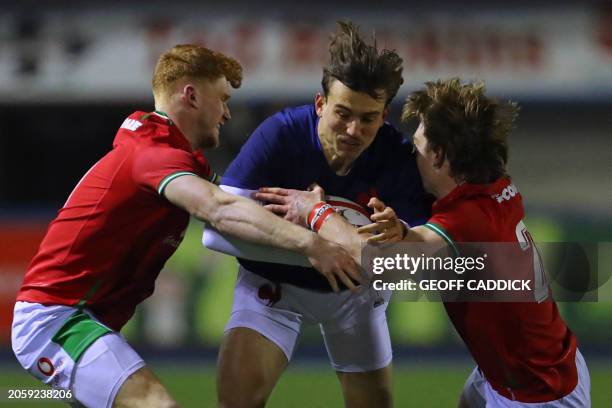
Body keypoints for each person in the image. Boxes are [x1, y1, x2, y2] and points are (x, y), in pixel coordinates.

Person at [11, 44, 360, 408]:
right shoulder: (153, 155)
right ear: (191, 95)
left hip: (88, 319)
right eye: (222, 98)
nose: (227, 112)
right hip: (56, 320)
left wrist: (318, 214)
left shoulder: (167, 155)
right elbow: (220, 209)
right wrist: (313, 245)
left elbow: (240, 207)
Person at [258, 78, 591, 407]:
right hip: (520, 367)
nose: (409, 155)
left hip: (541, 393)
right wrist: (402, 230)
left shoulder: (466, 221)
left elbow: (376, 261)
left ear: (439, 156)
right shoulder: (495, 189)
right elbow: (439, 243)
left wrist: (316, 212)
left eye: (416, 147)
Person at [203, 21, 430, 408]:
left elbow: (405, 265)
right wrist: (313, 248)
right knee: (235, 402)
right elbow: (215, 232)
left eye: (368, 118)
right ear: (320, 104)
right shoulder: (281, 135)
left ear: (384, 116)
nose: (353, 130)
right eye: (342, 113)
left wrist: (322, 223)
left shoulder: (398, 158)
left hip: (354, 297)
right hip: (274, 288)